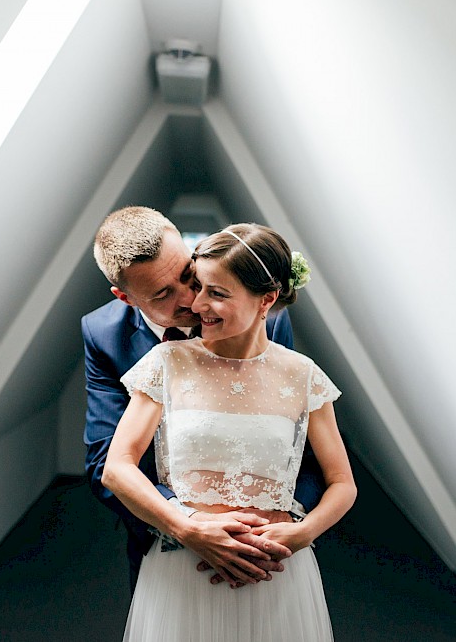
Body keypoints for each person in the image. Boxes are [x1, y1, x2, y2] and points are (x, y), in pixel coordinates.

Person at [102, 223, 357, 641]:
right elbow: (116, 467)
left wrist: (300, 533)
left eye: (216, 294)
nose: (196, 304)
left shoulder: (303, 375)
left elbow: (342, 483)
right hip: (184, 563)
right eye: (198, 286)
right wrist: (185, 526)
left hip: (275, 567)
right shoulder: (166, 362)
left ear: (267, 300)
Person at [82, 206, 325, 591]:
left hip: (263, 549)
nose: (192, 300)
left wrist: (282, 522)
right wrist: (188, 525)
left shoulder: (263, 317)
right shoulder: (103, 335)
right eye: (163, 294)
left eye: (187, 274)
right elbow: (105, 465)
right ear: (125, 298)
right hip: (167, 547)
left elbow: (298, 447)